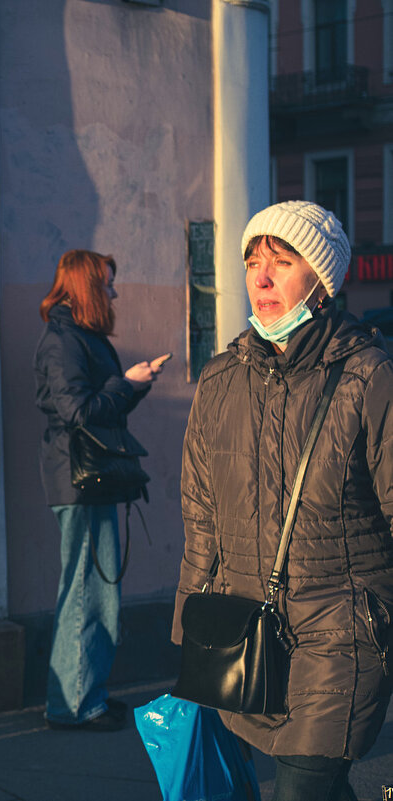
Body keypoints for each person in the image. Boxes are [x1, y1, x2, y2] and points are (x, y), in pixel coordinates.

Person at [173, 200, 393, 801]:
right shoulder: (220, 380)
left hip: (341, 635)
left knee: (302, 787)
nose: (261, 279)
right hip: (249, 635)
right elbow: (201, 515)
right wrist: (188, 629)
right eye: (251, 263)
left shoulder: (369, 377)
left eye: (282, 261)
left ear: (320, 281)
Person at [33, 249, 168, 732]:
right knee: (85, 591)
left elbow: (98, 406)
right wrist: (126, 384)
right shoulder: (65, 340)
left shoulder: (80, 336)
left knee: (98, 591)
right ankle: (71, 705)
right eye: (107, 283)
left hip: (90, 477)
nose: (113, 292)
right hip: (80, 479)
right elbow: (78, 412)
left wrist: (133, 386)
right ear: (86, 285)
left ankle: (86, 693)